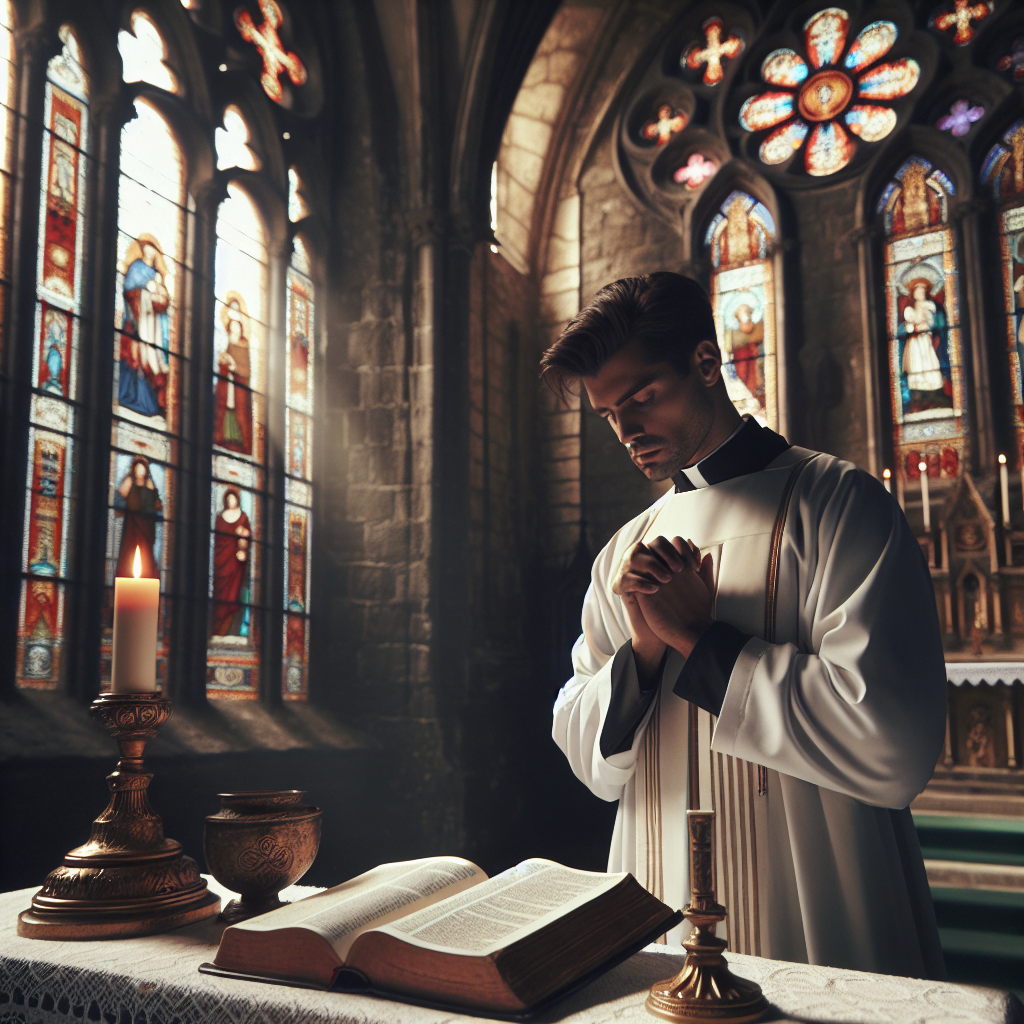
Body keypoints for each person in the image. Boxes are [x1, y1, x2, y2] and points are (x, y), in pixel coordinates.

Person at [543, 273, 946, 978]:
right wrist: (641, 652)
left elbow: (894, 744)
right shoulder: (624, 551)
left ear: (706, 363)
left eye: (644, 399)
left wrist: (702, 644)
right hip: (657, 892)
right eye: (610, 415)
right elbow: (588, 759)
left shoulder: (838, 505)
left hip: (815, 900)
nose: (629, 431)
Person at [211, 487, 251, 636]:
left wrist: (244, 539)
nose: (231, 501)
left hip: (234, 563)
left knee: (233, 596)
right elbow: (216, 539)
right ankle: (217, 632)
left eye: (233, 498)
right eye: (229, 499)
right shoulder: (220, 518)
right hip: (220, 561)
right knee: (220, 596)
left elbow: (247, 539)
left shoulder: (243, 517)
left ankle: (232, 632)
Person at [114, 456, 162, 579]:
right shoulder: (129, 481)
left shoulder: (150, 484)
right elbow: (120, 496)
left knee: (146, 553)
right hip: (132, 523)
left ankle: (147, 575)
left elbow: (157, 506)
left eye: (142, 468)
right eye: (138, 468)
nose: (140, 471)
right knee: (129, 551)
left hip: (146, 525)